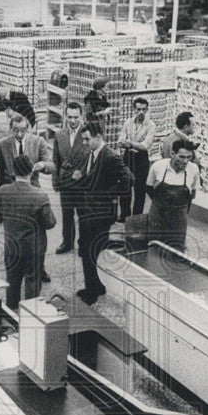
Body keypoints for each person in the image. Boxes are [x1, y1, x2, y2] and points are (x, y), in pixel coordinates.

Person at [0, 114, 56, 283]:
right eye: (15, 130)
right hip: (12, 195)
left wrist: (42, 165)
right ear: (10, 129)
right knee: (14, 234)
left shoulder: (38, 142)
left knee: (36, 234)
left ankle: (39, 267)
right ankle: (15, 270)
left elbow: (51, 165)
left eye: (23, 130)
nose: (19, 134)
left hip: (33, 193)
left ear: (29, 129)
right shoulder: (1, 145)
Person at [75, 129, 133, 305]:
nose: (84, 143)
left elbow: (129, 180)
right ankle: (96, 285)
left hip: (100, 213)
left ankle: (92, 291)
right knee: (88, 249)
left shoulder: (110, 156)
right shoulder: (91, 153)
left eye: (87, 139)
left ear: (98, 137)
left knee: (91, 250)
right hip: (88, 211)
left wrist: (107, 195)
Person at [0, 155, 58, 310]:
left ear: (13, 171)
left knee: (12, 282)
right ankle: (31, 314)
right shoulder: (40, 195)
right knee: (32, 281)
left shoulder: (1, 192)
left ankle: (11, 314)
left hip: (12, 246)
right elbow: (50, 223)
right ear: (31, 171)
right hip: (34, 248)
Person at [146, 138, 201, 251]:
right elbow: (149, 188)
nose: (185, 161)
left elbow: (192, 193)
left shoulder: (193, 169)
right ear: (172, 154)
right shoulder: (158, 166)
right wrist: (159, 203)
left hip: (179, 219)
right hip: (158, 216)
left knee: (177, 251)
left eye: (188, 157)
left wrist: (182, 212)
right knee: (154, 248)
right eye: (181, 157)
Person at [52, 103, 91, 254]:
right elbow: (55, 160)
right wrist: (55, 181)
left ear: (81, 117)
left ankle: (83, 244)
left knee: (83, 215)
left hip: (81, 182)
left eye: (76, 117)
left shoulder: (87, 134)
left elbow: (91, 156)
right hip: (65, 181)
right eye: (69, 117)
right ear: (65, 116)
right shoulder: (59, 135)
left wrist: (80, 172)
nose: (72, 120)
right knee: (67, 214)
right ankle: (67, 242)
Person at [117, 97, 158, 221]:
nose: (141, 112)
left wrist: (129, 142)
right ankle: (124, 215)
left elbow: (145, 146)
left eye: (143, 109)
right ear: (134, 109)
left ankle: (136, 218)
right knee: (125, 187)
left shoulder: (151, 125)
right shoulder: (128, 122)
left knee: (140, 190)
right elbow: (120, 141)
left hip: (142, 159)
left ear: (147, 110)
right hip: (128, 157)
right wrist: (135, 144)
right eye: (138, 109)